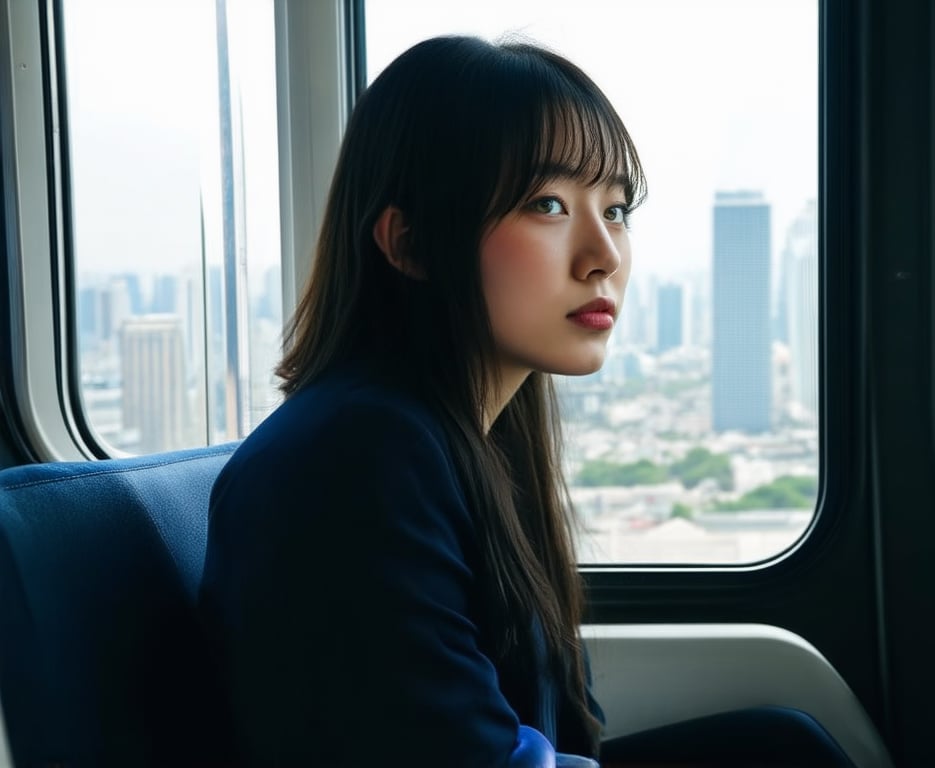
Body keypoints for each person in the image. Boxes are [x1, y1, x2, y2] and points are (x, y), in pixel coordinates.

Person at [197, 34, 643, 767]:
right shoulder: (357, 458)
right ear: (411, 244)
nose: (605, 254)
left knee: (781, 741)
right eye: (549, 203)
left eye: (618, 208)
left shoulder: (476, 438)